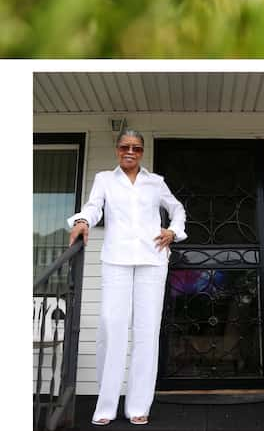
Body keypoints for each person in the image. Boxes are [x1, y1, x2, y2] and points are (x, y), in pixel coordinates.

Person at [67, 129, 187, 426]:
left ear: (142, 151)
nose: (129, 152)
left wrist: (173, 230)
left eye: (135, 147)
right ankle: (106, 405)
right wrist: (82, 221)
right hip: (116, 261)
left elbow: (177, 209)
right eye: (124, 147)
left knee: (146, 333)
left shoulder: (155, 182)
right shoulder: (104, 180)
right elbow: (94, 208)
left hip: (152, 260)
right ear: (117, 150)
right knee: (112, 328)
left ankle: (137, 405)